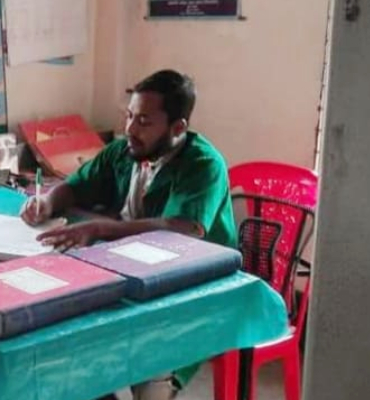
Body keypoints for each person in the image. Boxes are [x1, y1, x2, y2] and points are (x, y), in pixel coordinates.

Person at [20, 70, 236, 400]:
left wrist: (101, 228)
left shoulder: (203, 164)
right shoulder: (125, 150)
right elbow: (76, 186)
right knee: (65, 329)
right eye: (130, 116)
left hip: (190, 286)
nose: (131, 129)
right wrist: (47, 202)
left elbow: (182, 230)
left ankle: (154, 383)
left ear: (178, 128)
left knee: (152, 363)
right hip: (131, 267)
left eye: (144, 121)